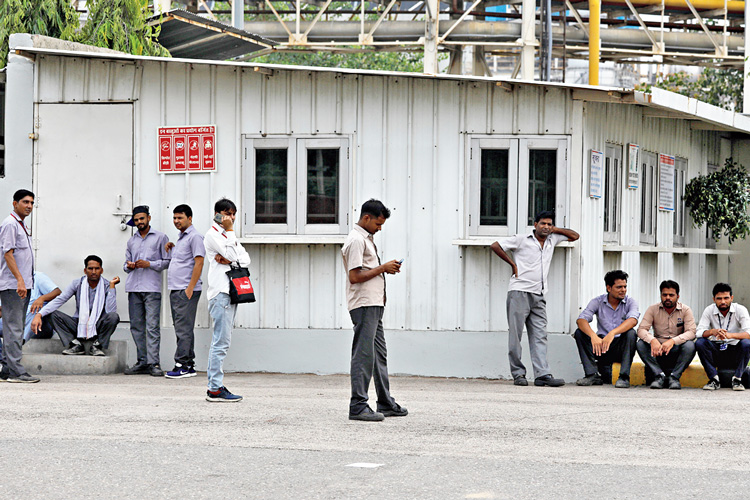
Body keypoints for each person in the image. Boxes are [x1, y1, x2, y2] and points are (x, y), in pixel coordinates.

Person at [490, 210, 579, 388]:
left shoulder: (552, 239)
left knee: (540, 336)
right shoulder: (521, 239)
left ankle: (542, 374)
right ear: (535, 225)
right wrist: (513, 264)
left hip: (539, 294)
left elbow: (574, 236)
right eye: (543, 224)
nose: (546, 227)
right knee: (516, 335)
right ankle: (518, 374)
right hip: (519, 292)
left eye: (549, 224)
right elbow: (495, 245)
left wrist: (555, 230)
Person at [341, 199, 407, 422]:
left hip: (374, 304)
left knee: (379, 354)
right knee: (364, 354)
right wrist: (383, 268)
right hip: (364, 304)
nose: (380, 229)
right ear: (366, 218)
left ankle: (385, 402)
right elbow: (354, 276)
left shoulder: (365, 239)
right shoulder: (356, 240)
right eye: (378, 224)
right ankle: (358, 405)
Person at [203, 198, 251, 402]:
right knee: (220, 342)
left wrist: (232, 257)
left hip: (231, 292)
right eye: (227, 213)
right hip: (221, 292)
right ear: (217, 214)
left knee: (224, 340)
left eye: (233, 214)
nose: (231, 218)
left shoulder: (225, 235)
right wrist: (231, 239)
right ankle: (214, 388)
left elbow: (245, 258)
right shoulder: (213, 234)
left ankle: (215, 385)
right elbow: (233, 253)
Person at [30, 256, 120, 356]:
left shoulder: (107, 285)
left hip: (98, 324)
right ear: (85, 270)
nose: (94, 272)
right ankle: (75, 345)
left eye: (97, 268)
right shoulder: (77, 283)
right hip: (79, 324)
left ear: (101, 270)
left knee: (113, 316)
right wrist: (39, 314)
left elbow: (110, 310)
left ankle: (97, 345)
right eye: (90, 269)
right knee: (51, 314)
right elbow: (60, 300)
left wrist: (112, 286)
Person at [122, 205, 170, 377]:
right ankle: (142, 362)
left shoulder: (161, 237)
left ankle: (153, 363)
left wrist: (150, 264)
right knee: (136, 326)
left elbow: (168, 261)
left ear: (148, 218)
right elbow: (125, 264)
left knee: (151, 326)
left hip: (151, 288)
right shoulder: (131, 240)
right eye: (136, 220)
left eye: (142, 219)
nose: (139, 222)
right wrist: (129, 265)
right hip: (134, 287)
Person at [574, 270, 639, 388]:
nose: (623, 290)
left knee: (631, 333)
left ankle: (624, 377)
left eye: (625, 286)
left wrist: (613, 333)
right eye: (619, 287)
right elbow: (581, 320)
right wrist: (594, 336)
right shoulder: (597, 301)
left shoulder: (630, 302)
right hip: (601, 346)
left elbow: (633, 320)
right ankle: (592, 375)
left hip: (619, 347)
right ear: (609, 288)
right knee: (579, 333)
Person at [0, 189, 39, 383]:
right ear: (15, 204)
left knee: (15, 327)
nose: (29, 206)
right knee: (14, 328)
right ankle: (16, 372)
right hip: (14, 286)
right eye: (25, 202)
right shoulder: (10, 224)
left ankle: (7, 369)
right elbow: (8, 253)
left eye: (32, 202)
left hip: (22, 284)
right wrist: (20, 280)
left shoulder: (21, 225)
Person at [164, 204, 205, 379]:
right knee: (184, 328)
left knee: (183, 329)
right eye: (174, 218)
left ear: (190, 218)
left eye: (180, 218)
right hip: (177, 288)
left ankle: (181, 365)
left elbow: (199, 262)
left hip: (185, 290)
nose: (176, 221)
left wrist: (190, 288)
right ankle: (188, 365)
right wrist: (172, 247)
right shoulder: (182, 238)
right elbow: (184, 260)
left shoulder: (195, 237)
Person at [635, 280, 696, 390]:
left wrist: (673, 341)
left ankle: (674, 377)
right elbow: (641, 330)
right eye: (664, 295)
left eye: (671, 295)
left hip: (676, 349)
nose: (667, 298)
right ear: (661, 295)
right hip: (657, 350)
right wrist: (653, 340)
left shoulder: (685, 310)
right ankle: (659, 376)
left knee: (690, 346)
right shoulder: (652, 309)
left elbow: (691, 332)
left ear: (677, 296)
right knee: (640, 344)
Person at [695, 282, 750, 391]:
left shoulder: (740, 310)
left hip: (735, 351)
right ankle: (714, 379)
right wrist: (712, 331)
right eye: (719, 298)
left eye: (726, 298)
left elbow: (748, 334)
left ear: (732, 298)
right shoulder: (709, 310)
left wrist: (730, 335)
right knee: (699, 342)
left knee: (747, 343)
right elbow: (698, 332)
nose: (723, 301)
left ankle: (737, 379)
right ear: (714, 299)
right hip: (717, 350)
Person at [0, 271, 61, 360]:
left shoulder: (37, 277)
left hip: (39, 326)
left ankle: (19, 342)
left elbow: (57, 292)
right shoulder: (7, 281)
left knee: (37, 309)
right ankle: (2, 359)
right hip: (16, 324)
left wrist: (42, 298)